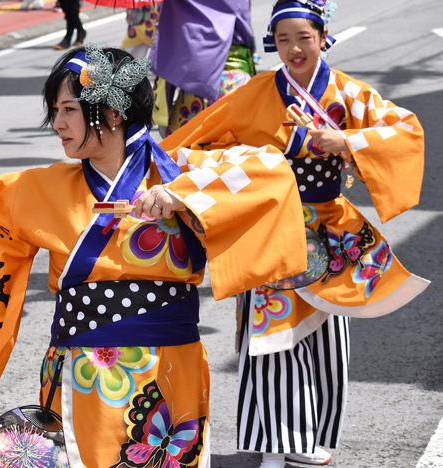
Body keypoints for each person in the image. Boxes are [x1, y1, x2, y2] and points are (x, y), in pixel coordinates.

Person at [0, 44, 306, 466]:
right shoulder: (44, 187)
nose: (57, 123)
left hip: (171, 367)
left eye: (70, 109)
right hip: (81, 369)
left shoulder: (181, 172)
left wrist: (186, 197)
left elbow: (270, 171)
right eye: (56, 111)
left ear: (112, 113)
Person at [161, 1, 429, 467]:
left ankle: (310, 439)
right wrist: (244, 167)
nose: (293, 48)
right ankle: (273, 446)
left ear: (323, 37)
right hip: (270, 226)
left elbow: (406, 131)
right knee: (269, 339)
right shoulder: (258, 92)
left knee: (326, 339)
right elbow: (195, 140)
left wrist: (347, 143)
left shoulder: (349, 93)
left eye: (303, 37)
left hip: (330, 228)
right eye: (282, 40)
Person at [149, 0, 255, 137]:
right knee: (244, 149)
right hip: (236, 80)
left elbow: (169, 36)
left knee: (185, 151)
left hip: (195, 90)